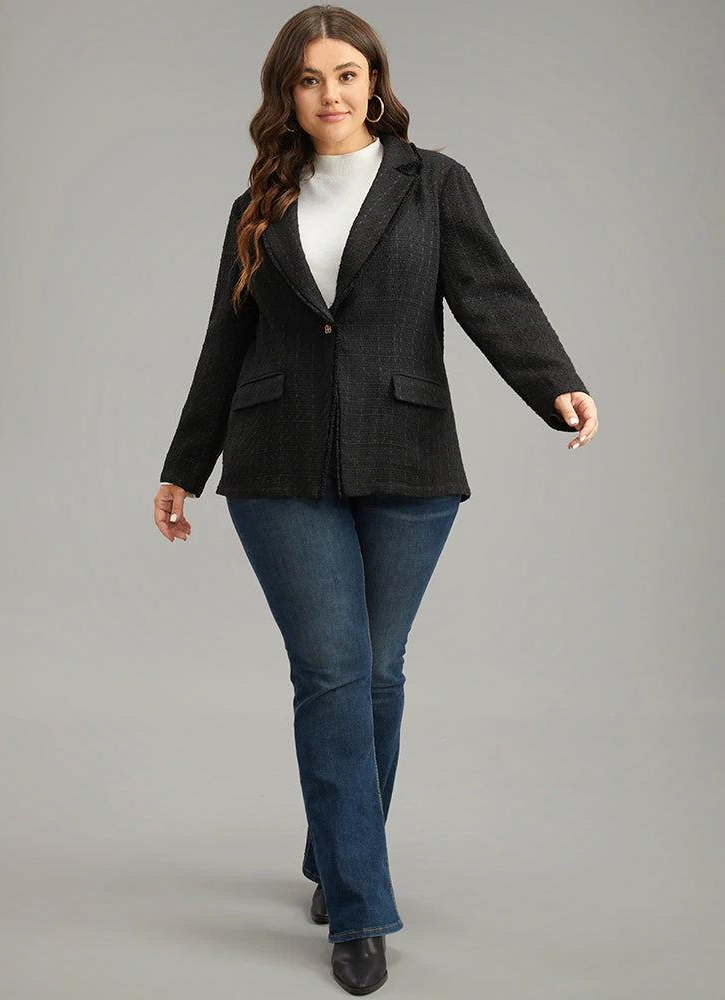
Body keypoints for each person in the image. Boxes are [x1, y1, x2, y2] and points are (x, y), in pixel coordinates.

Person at [153, 5, 598, 994]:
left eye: (346, 74)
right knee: (333, 672)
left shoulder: (432, 182)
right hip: (278, 465)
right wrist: (184, 464)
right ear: (288, 94)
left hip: (407, 455)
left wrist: (553, 383)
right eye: (309, 79)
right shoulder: (257, 204)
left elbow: (490, 293)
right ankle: (359, 908)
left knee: (378, 673)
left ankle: (335, 852)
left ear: (374, 81)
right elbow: (226, 341)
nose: (331, 94)